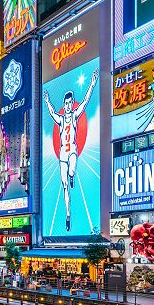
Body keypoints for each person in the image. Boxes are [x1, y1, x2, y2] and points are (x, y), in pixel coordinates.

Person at [43, 68, 98, 231]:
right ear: (64, 104)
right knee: (65, 186)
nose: (68, 106)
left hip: (72, 151)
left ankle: (72, 175)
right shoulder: (60, 119)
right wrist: (47, 101)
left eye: (70, 103)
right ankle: (68, 215)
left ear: (72, 102)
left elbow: (86, 101)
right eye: (66, 103)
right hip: (62, 156)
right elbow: (52, 112)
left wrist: (92, 83)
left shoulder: (74, 116)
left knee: (72, 170)